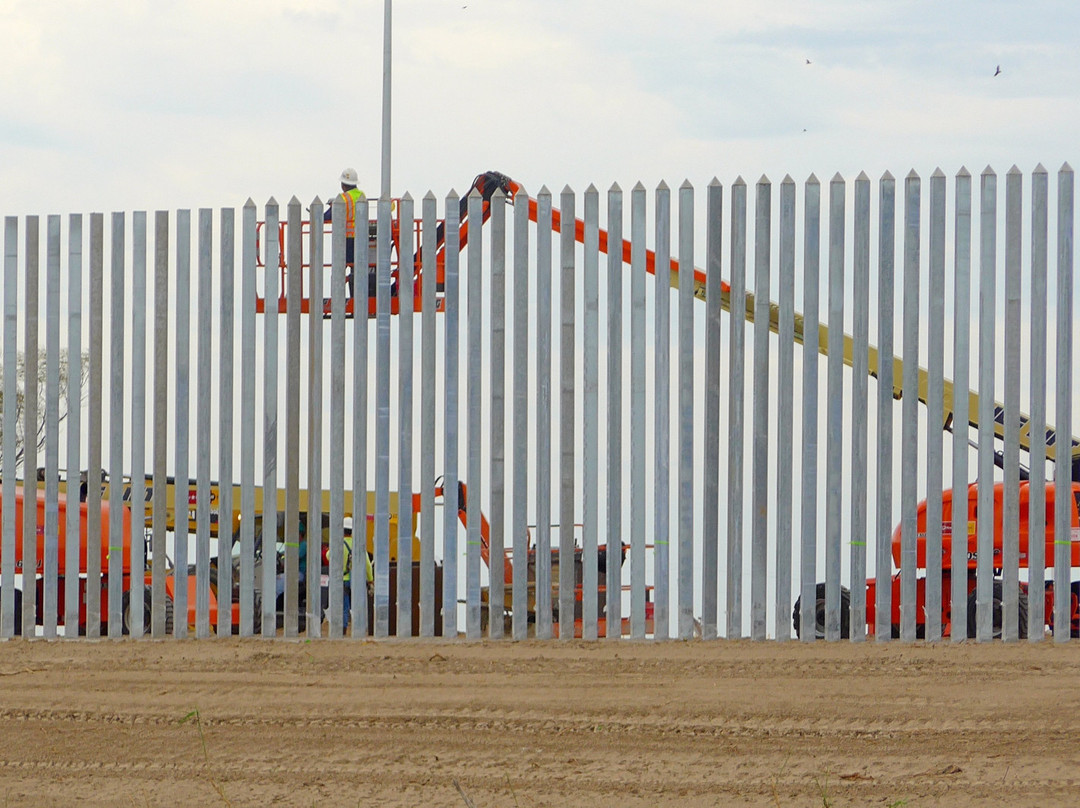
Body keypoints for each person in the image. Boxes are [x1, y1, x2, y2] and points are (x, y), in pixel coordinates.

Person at [324, 168, 366, 273]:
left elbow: (327, 216)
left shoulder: (343, 198)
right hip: (362, 238)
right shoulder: (362, 195)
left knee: (340, 269)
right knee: (357, 270)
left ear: (343, 185)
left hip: (347, 238)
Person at [341, 516, 374, 632]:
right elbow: (368, 565)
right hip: (357, 579)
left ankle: (343, 628)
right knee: (358, 605)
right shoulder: (359, 545)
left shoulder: (339, 544)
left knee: (344, 606)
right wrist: (370, 579)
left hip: (343, 579)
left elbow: (328, 556)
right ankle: (359, 627)